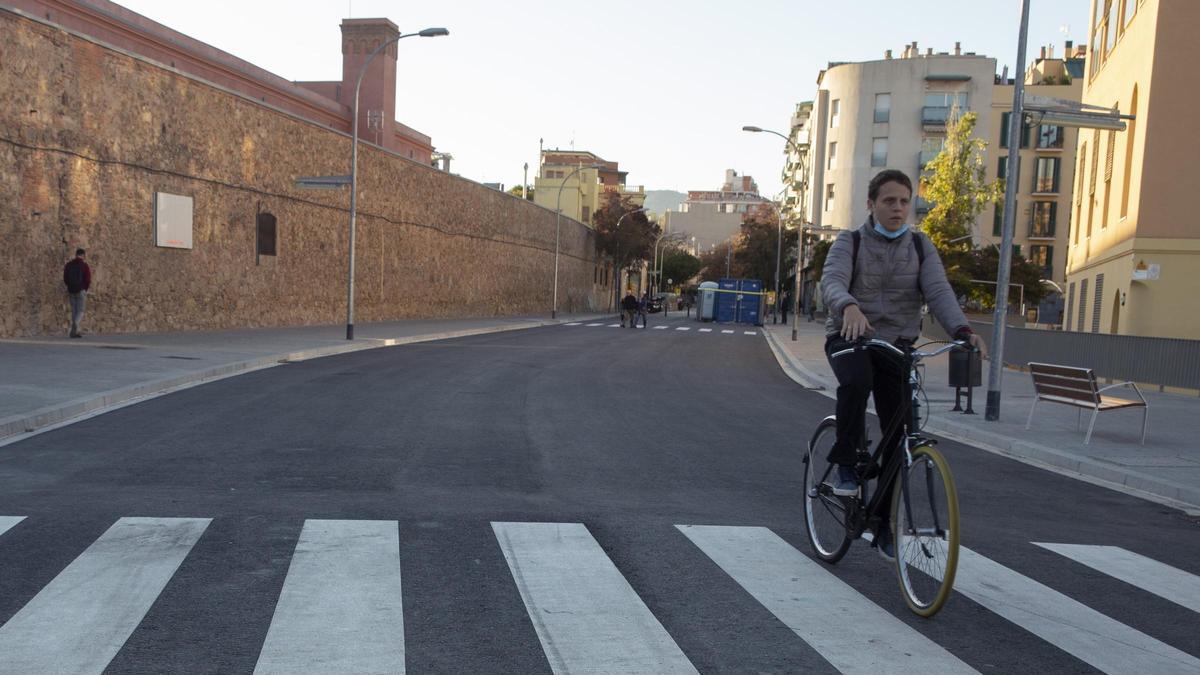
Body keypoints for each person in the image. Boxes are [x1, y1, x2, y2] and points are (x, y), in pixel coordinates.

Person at [819, 169, 987, 560]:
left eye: (904, 201)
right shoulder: (850, 242)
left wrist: (962, 330)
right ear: (871, 205)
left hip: (898, 344)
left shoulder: (922, 247)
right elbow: (832, 282)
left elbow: (939, 291)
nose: (897, 208)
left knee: (901, 434)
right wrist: (849, 307)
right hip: (850, 335)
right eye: (889, 201)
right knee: (856, 383)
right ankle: (845, 463)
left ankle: (882, 525)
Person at [63, 248, 92, 338]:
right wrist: (85, 289)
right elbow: (88, 279)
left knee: (74, 310)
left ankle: (74, 332)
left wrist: (69, 286)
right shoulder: (84, 265)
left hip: (71, 290)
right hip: (81, 290)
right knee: (81, 310)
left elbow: (65, 278)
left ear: (76, 255)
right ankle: (75, 323)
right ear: (83, 255)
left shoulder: (68, 265)